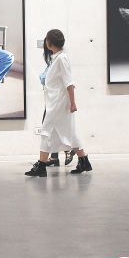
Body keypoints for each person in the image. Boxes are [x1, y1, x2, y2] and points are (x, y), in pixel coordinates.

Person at [25, 29, 92, 177]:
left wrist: (73, 103)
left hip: (59, 104)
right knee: (69, 132)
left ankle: (41, 166)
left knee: (46, 132)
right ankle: (84, 161)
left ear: (49, 43)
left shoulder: (61, 59)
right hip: (55, 103)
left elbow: (69, 82)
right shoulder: (56, 58)